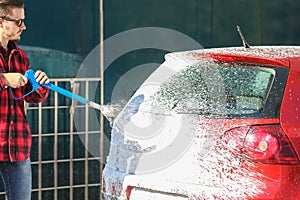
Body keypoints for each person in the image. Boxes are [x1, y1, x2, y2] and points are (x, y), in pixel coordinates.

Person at [0, 0, 50, 199]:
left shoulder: (20, 56)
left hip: (16, 146)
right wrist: (4, 79)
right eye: (19, 21)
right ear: (1, 22)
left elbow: (33, 97)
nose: (24, 26)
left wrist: (40, 84)